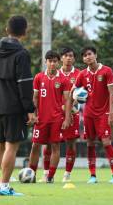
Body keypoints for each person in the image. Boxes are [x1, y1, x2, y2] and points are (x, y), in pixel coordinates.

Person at [0, 16, 36, 196]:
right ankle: (4, 187)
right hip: (14, 108)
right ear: (24, 32)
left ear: (7, 29)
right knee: (11, 146)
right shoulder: (21, 53)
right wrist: (29, 109)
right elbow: (24, 83)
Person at [72, 46, 113, 184]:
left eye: (89, 54)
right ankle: (92, 175)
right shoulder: (82, 74)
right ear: (83, 59)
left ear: (95, 55)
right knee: (90, 142)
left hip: (103, 113)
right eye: (85, 55)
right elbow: (74, 91)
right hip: (88, 114)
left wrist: (112, 112)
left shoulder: (106, 71)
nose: (87, 57)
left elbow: (112, 93)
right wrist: (73, 104)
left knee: (106, 142)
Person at [28, 50, 71, 183]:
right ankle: (31, 174)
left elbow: (68, 100)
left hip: (56, 119)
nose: (52, 64)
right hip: (41, 119)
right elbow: (34, 98)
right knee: (35, 146)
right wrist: (33, 114)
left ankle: (50, 176)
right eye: (50, 61)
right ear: (45, 62)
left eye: (54, 61)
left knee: (55, 146)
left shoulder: (63, 79)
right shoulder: (38, 77)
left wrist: (67, 118)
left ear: (58, 63)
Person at [40, 47, 81, 183]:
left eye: (71, 56)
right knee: (49, 144)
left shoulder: (79, 74)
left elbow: (84, 94)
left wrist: (72, 105)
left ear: (74, 58)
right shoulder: (55, 74)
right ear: (61, 59)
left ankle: (67, 174)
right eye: (65, 55)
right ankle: (46, 173)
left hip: (71, 113)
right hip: (54, 114)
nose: (68, 58)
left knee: (70, 143)